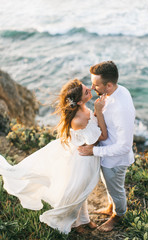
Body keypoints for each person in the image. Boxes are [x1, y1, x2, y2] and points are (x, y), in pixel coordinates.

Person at [0, 79, 107, 234]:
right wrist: (100, 112)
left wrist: (95, 112)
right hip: (83, 162)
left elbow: (92, 126)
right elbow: (101, 136)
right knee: (77, 194)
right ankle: (74, 223)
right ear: (77, 102)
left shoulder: (83, 109)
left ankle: (84, 220)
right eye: (86, 91)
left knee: (82, 193)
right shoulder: (78, 119)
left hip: (86, 157)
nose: (90, 89)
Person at [78, 61, 135, 232]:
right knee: (109, 186)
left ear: (109, 85)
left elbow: (124, 146)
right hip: (106, 155)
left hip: (115, 160)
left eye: (96, 85)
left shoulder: (121, 108)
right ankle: (111, 209)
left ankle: (119, 215)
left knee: (116, 191)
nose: (92, 87)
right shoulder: (117, 91)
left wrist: (93, 150)